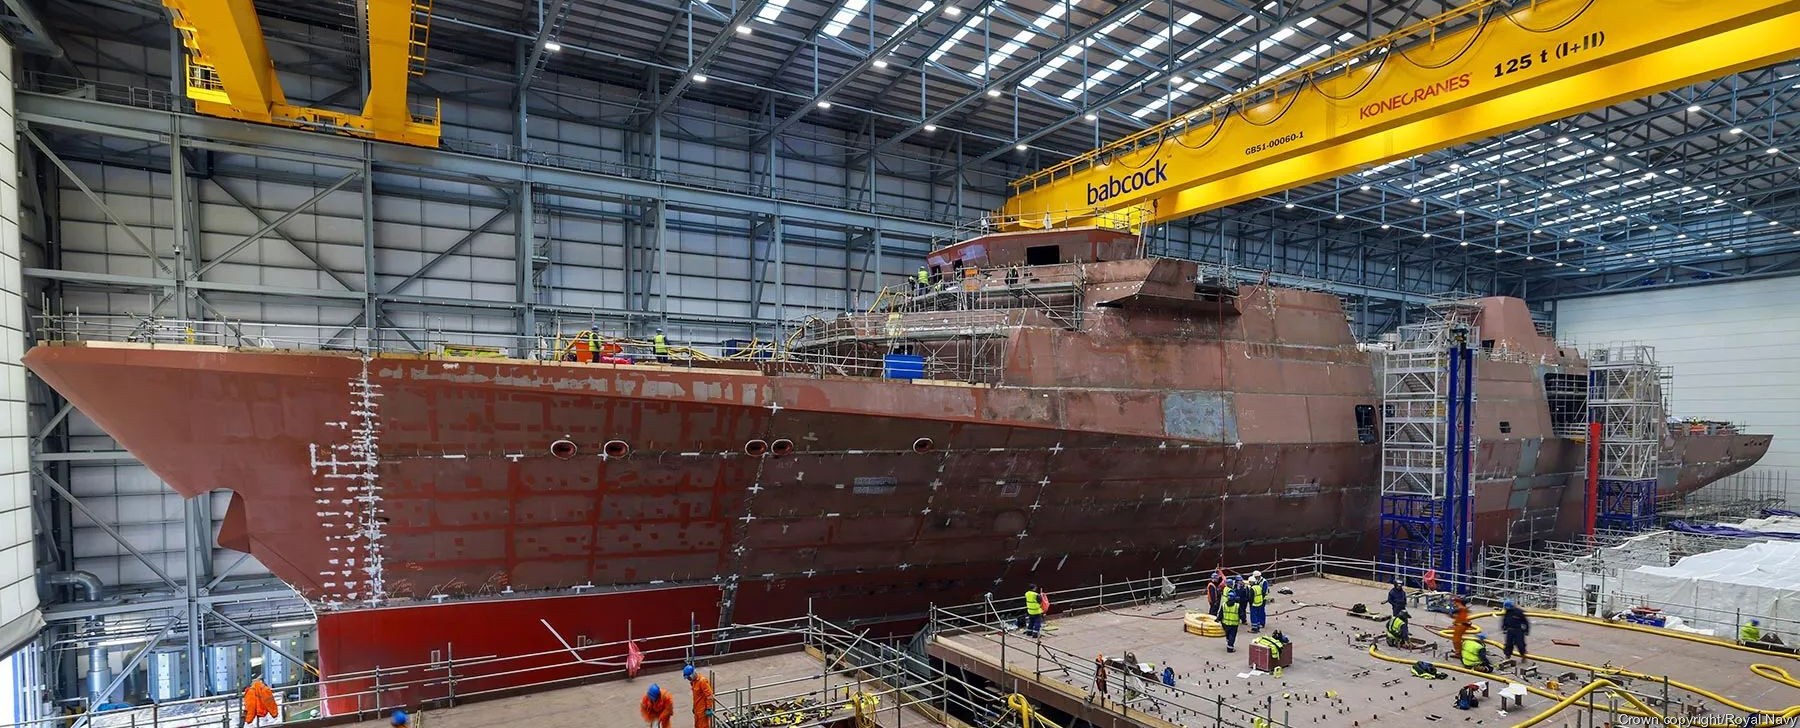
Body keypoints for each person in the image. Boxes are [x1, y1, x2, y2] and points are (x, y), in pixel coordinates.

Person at [1220, 579, 1245, 653]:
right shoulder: (1237, 606)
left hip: (1225, 623)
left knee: (1228, 635)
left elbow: (1221, 613)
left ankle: (1228, 642)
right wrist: (1243, 619)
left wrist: (1218, 619)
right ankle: (1230, 648)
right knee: (1232, 636)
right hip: (1234, 624)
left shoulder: (1224, 605)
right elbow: (1241, 614)